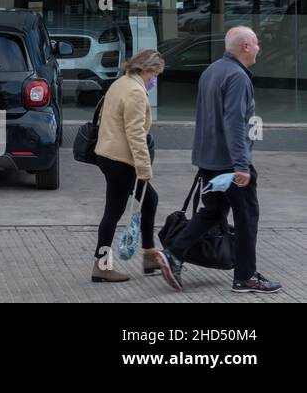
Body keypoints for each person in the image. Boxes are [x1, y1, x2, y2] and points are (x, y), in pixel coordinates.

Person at [162, 26, 281, 293]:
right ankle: (245, 277)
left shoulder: (212, 70)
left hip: (210, 160)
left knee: (213, 211)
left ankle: (174, 251)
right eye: (256, 43)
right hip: (230, 163)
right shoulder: (237, 77)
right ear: (246, 47)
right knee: (247, 216)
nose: (260, 47)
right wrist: (242, 165)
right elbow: (234, 123)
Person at [90, 49, 177, 287]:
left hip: (108, 155)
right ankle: (102, 267)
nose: (155, 79)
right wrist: (144, 168)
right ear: (148, 69)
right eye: (156, 74)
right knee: (113, 213)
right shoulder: (136, 92)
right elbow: (136, 134)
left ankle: (149, 256)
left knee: (150, 201)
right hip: (121, 160)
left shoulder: (121, 82)